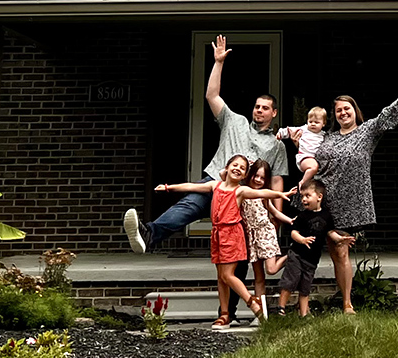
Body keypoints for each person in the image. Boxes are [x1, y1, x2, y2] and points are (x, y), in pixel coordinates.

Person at [123, 35, 288, 323]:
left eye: (265, 107)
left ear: (274, 113)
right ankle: (149, 235)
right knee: (187, 207)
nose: (258, 110)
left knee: (236, 263)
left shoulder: (276, 146)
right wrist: (218, 63)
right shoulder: (234, 120)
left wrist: (275, 221)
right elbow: (212, 96)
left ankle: (228, 314)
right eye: (257, 106)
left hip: (242, 203)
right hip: (216, 181)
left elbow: (276, 184)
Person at [310, 76, 398, 314]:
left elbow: (388, 115)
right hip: (323, 199)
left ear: (355, 111)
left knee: (341, 249)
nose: (343, 113)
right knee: (332, 250)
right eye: (338, 110)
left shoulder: (367, 131)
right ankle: (320, 296)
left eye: (346, 109)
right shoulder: (328, 137)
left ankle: (347, 302)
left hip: (350, 201)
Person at [155, 154, 295, 329]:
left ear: (245, 176)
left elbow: (262, 192)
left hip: (232, 234)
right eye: (234, 165)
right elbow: (192, 186)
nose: (237, 169)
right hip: (217, 234)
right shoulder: (215, 185)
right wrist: (169, 187)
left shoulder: (240, 191)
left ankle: (253, 303)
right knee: (221, 278)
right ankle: (224, 316)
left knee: (228, 275)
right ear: (227, 167)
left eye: (242, 168)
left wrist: (281, 194)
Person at [278, 179, 354, 318]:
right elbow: (294, 232)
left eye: (307, 195)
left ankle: (304, 314)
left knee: (305, 288)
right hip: (297, 255)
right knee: (290, 281)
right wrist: (302, 240)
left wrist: (339, 239)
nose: (303, 199)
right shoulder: (302, 216)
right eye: (302, 196)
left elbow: (329, 232)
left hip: (312, 260)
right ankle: (281, 308)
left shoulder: (326, 215)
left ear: (319, 197)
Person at [240, 159, 295, 318]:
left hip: (265, 233)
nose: (258, 180)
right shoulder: (242, 191)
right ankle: (261, 315)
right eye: (255, 176)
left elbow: (275, 212)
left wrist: (289, 220)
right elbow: (224, 175)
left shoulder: (264, 195)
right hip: (252, 237)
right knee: (259, 278)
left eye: (262, 178)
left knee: (271, 269)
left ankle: (291, 255)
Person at [277, 106, 327, 188]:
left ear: (323, 123)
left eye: (317, 122)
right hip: (304, 157)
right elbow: (289, 130)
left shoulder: (324, 135)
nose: (313, 124)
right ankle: (303, 182)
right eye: (310, 121)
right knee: (314, 167)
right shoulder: (304, 129)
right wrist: (280, 134)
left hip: (315, 159)